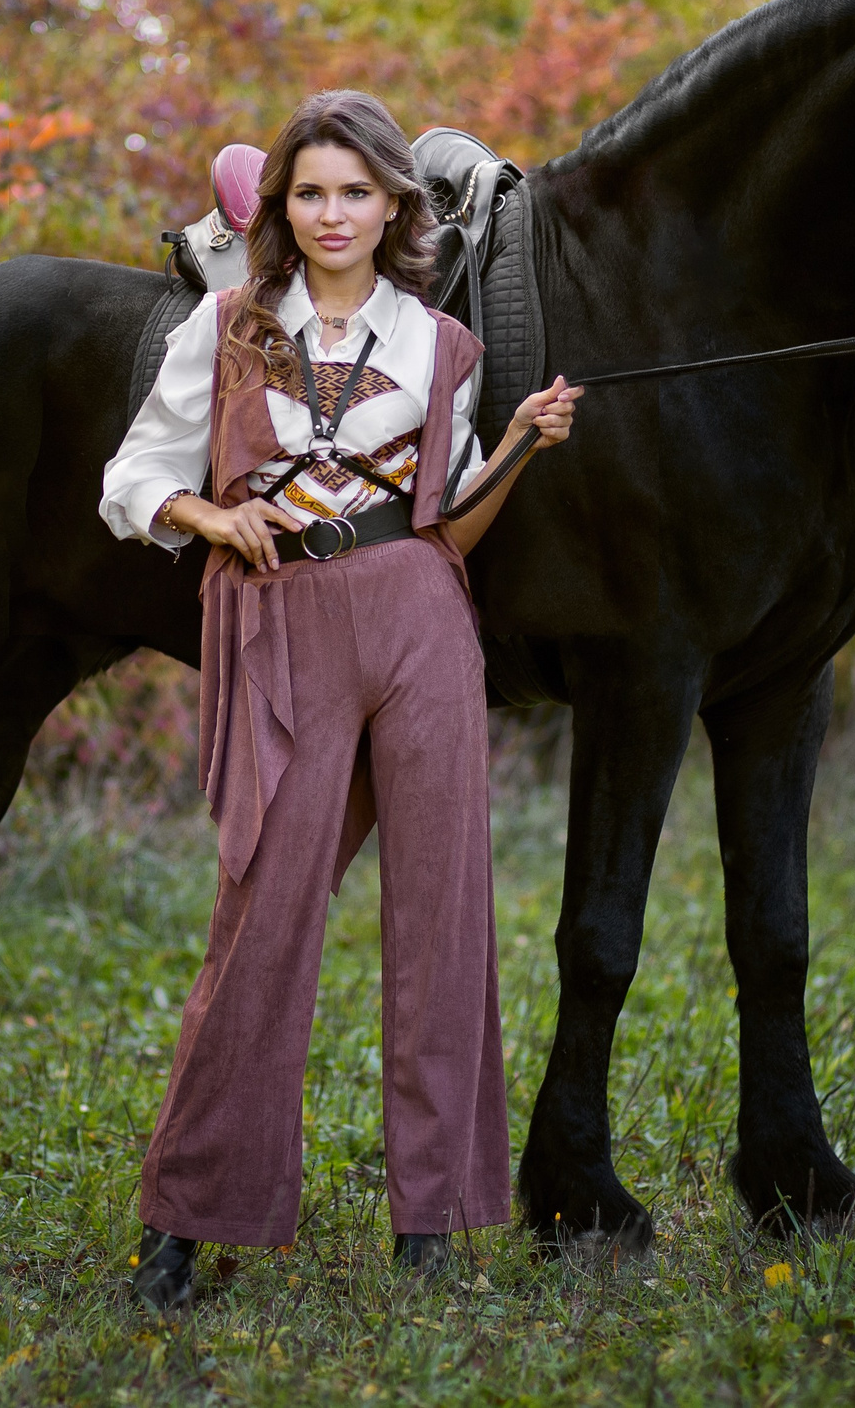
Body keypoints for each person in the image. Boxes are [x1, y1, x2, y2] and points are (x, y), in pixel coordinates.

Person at [98, 90, 581, 1311]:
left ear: (392, 208)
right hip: (286, 620)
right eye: (310, 191)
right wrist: (212, 511)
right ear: (283, 209)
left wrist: (516, 443)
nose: (332, 213)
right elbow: (134, 477)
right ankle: (187, 1220)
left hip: (421, 615)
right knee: (262, 916)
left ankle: (432, 1225)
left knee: (443, 911)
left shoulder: (439, 343)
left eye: (355, 192)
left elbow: (451, 522)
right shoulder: (229, 324)